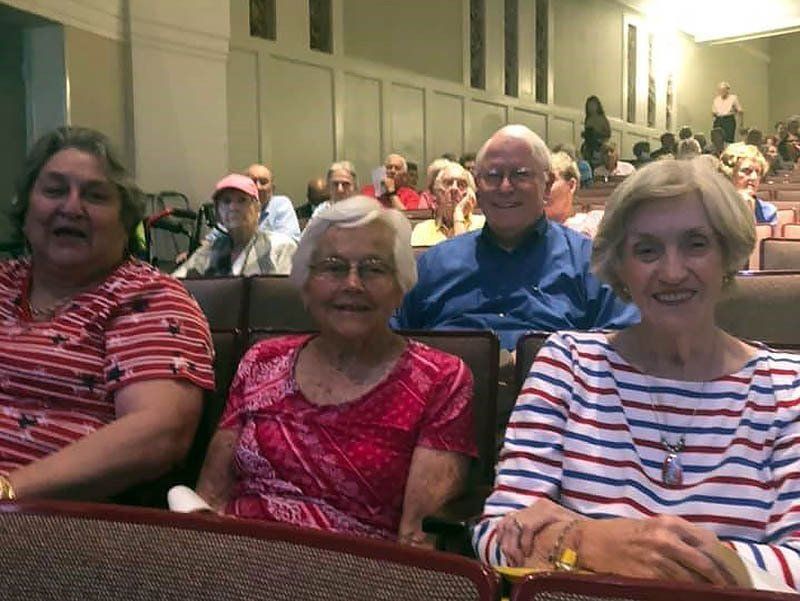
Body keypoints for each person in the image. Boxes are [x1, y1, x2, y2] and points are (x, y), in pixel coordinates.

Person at [473, 157, 800, 591]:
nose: (671, 271)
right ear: (620, 268)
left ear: (728, 255)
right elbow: (499, 537)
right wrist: (591, 541)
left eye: (696, 244)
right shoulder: (568, 364)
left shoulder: (787, 388)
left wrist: (611, 544)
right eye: (647, 250)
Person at [194, 196, 476, 544]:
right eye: (333, 267)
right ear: (306, 284)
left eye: (374, 268)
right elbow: (211, 497)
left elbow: (418, 541)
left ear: (401, 287)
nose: (353, 284)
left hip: (353, 575)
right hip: (234, 561)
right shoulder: (262, 360)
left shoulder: (440, 380)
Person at [0, 126, 214, 500]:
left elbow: (159, 434)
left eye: (95, 196)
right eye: (53, 190)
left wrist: (9, 489)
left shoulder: (148, 297)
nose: (71, 207)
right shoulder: (5, 280)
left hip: (49, 519)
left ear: (125, 220)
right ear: (26, 207)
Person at [393, 124, 638, 352]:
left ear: (547, 182)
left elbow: (623, 347)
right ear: (478, 186)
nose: (506, 187)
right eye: (493, 176)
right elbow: (388, 341)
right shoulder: (435, 263)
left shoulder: (591, 263)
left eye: (520, 175)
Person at [173, 174, 297, 277]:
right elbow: (175, 284)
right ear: (218, 213)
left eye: (242, 200)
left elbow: (287, 297)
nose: (233, 207)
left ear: (257, 208)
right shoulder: (209, 251)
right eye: (226, 201)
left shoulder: (281, 246)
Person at [410, 162, 484, 246]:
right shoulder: (422, 230)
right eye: (448, 183)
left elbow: (463, 255)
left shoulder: (482, 225)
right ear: (436, 193)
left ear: (470, 193)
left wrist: (458, 215)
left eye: (461, 185)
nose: (454, 188)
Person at [544, 152, 604, 239]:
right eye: (539, 182)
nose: (541, 188)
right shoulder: (525, 229)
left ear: (571, 185)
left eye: (550, 181)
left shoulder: (595, 223)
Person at [719, 143, 777, 226]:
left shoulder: (768, 212)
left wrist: (750, 211)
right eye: (746, 171)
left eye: (758, 172)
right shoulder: (714, 210)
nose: (754, 177)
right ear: (729, 174)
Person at [581, 96, 611, 166]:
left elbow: (608, 134)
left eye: (593, 105)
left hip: (599, 144)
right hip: (588, 144)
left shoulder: (602, 119)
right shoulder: (588, 119)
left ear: (597, 106)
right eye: (589, 106)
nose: (591, 107)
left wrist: (597, 134)